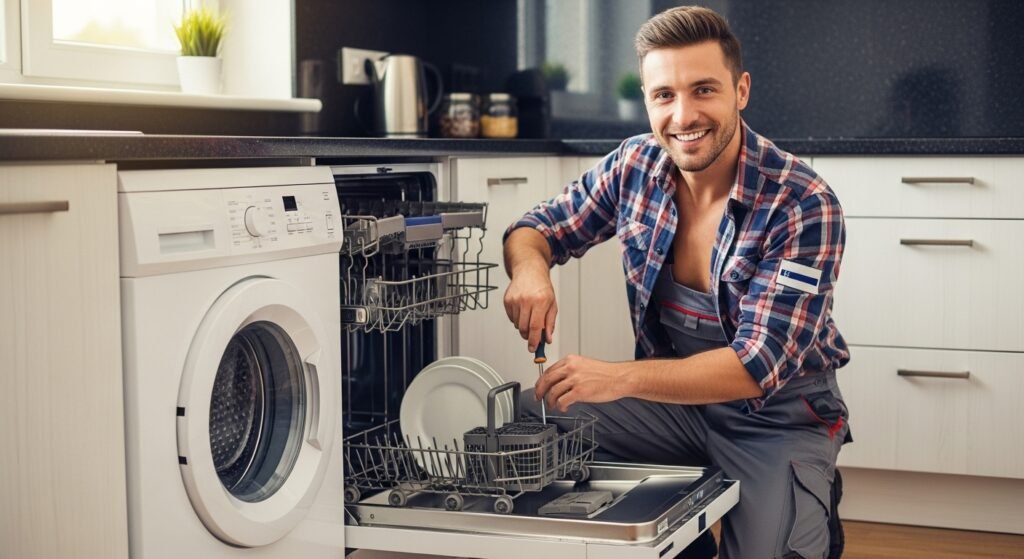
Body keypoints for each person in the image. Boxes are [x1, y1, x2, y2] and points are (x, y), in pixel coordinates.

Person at [502, 6, 851, 559]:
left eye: (703, 90)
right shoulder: (635, 165)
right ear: (646, 99)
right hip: (671, 410)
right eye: (664, 95)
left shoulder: (802, 202)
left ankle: (805, 489)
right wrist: (530, 270)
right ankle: (679, 543)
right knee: (525, 417)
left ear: (741, 90)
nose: (683, 115)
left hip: (775, 417)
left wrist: (618, 378)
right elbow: (535, 229)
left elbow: (754, 366)